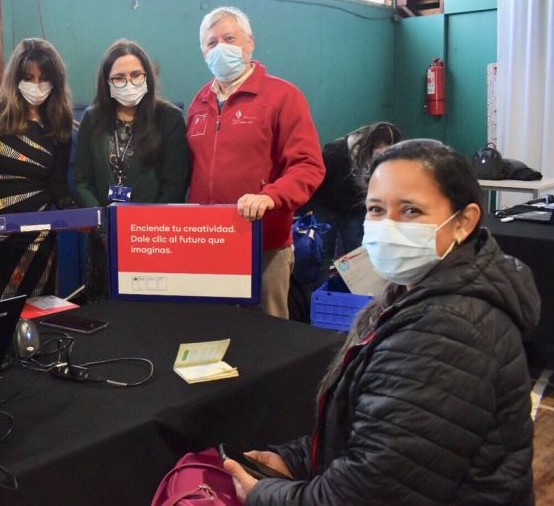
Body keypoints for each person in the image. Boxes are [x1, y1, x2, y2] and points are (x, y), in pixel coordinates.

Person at [223, 139, 539, 505]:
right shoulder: (416, 292)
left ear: (463, 222)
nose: (387, 225)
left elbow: (374, 490)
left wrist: (264, 496)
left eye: (411, 211)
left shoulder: (449, 329)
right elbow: (380, 432)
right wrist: (295, 460)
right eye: (376, 209)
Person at [187, 6, 325, 318]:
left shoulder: (283, 96)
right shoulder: (200, 102)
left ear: (250, 43)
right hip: (208, 243)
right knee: (211, 329)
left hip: (265, 246)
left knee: (266, 337)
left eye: (230, 38)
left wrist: (269, 197)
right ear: (202, 51)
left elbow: (308, 165)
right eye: (211, 43)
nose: (220, 47)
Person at [74, 39, 190, 299]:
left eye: (136, 74)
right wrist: (104, 229)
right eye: (119, 77)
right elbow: (81, 179)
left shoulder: (169, 118)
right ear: (107, 82)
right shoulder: (93, 118)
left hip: (153, 241)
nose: (129, 82)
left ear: (147, 76)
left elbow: (176, 184)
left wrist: (146, 233)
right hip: (103, 240)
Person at [0, 38, 75, 303]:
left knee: (39, 309)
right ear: (15, 78)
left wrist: (74, 213)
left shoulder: (60, 124)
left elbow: (57, 185)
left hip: (39, 236)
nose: (36, 85)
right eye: (28, 77)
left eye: (43, 78)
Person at [308, 121, 402, 270]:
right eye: (379, 153)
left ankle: (357, 290)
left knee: (357, 252)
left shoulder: (388, 160)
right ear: (369, 148)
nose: (381, 158)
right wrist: (309, 208)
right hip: (326, 206)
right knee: (324, 253)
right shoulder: (336, 152)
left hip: (353, 209)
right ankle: (319, 291)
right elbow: (317, 180)